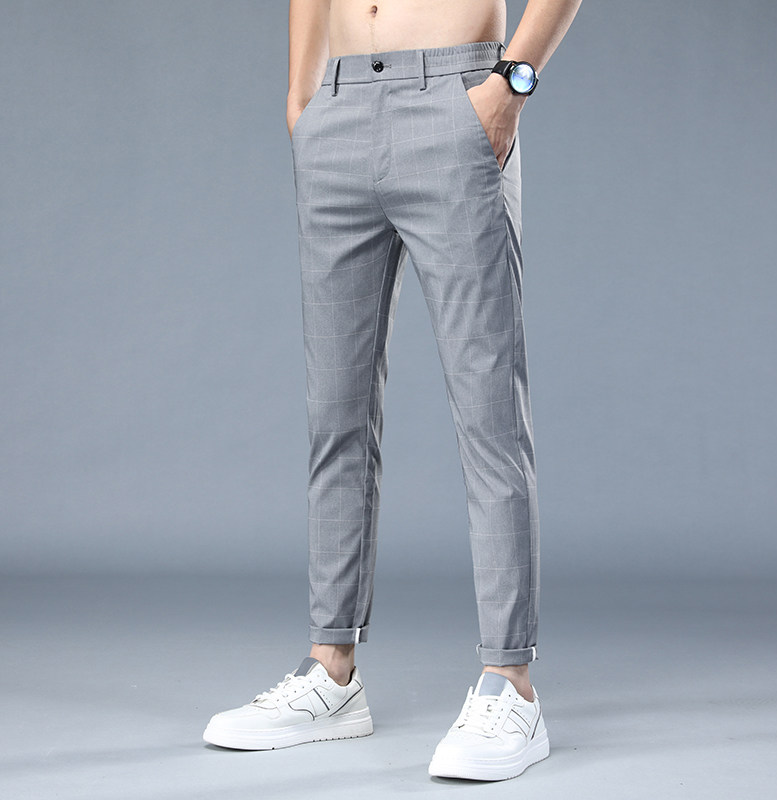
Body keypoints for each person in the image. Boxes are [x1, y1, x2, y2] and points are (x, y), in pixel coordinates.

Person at [203, 0, 582, 781]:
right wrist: (302, 99)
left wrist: (510, 84)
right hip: (337, 106)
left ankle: (511, 684)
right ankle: (331, 672)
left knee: (488, 412)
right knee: (335, 415)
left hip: (457, 99)